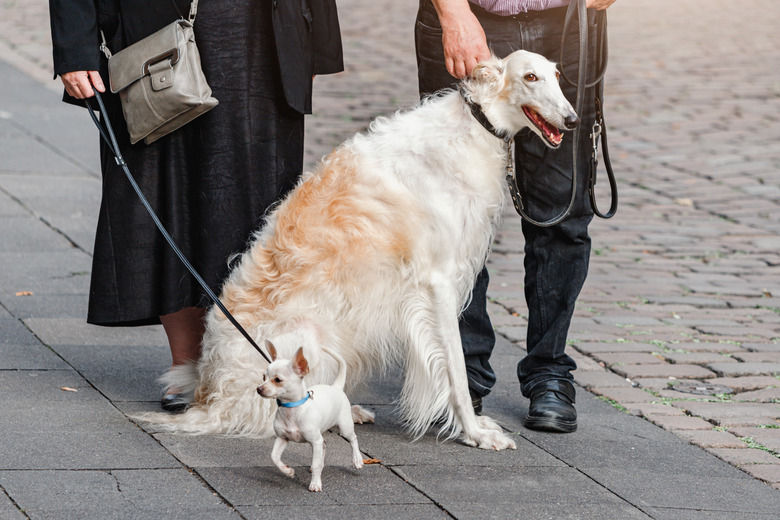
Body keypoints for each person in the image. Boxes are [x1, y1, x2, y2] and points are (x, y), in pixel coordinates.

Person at [49, 0, 343, 412]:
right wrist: (73, 45)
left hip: (264, 30)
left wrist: (315, 41)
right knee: (168, 193)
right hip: (154, 32)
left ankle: (248, 364)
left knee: (264, 203)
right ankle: (186, 365)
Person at [415, 0, 617, 432]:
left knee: (563, 211)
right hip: (469, 16)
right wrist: (452, 13)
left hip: (568, 19)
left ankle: (549, 373)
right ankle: (460, 373)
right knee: (452, 216)